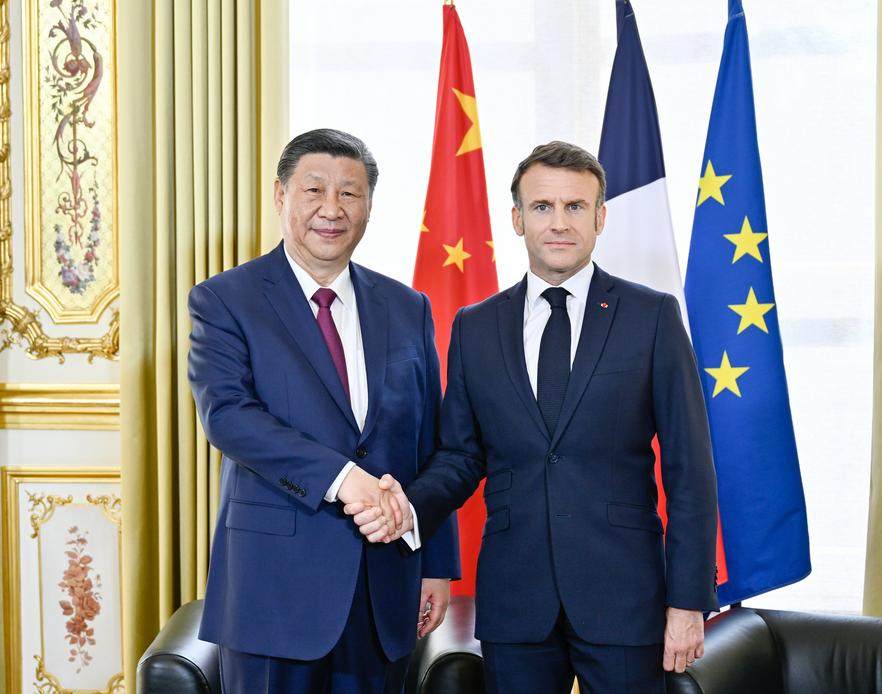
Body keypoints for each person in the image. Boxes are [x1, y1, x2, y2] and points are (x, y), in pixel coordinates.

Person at [348, 141, 719, 693]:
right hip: (516, 601)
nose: (559, 223)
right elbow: (460, 456)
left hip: (623, 598)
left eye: (575, 207)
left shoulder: (652, 317)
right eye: (543, 207)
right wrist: (406, 505)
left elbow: (691, 471)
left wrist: (687, 602)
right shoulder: (476, 327)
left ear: (601, 217)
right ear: (518, 219)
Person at [188, 128, 459, 693]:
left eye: (350, 194)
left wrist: (434, 561)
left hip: (385, 584)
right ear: (281, 196)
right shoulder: (225, 299)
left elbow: (430, 442)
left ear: (369, 207)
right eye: (314, 190)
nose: (331, 210)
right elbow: (229, 416)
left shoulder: (407, 307)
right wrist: (344, 480)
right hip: (273, 592)